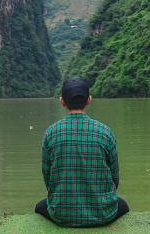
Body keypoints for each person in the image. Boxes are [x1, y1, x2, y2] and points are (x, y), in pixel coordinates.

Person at [35, 76, 129, 227]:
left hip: (61, 215)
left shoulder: (51, 132)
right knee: (123, 205)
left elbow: (48, 179)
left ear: (62, 101)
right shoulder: (105, 131)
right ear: (89, 100)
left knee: (40, 206)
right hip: (103, 214)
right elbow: (114, 178)